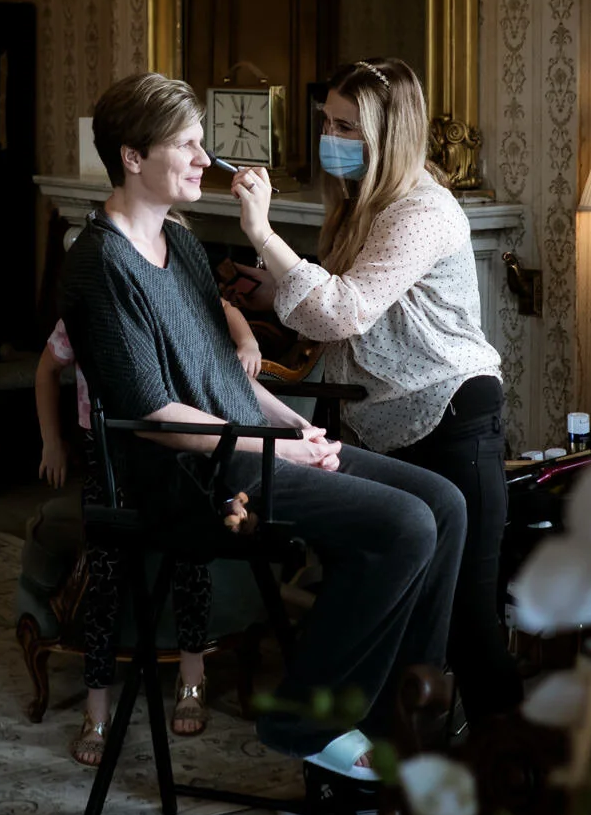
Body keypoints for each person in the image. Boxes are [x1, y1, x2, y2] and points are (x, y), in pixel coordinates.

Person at [59, 72, 464, 778]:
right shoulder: (99, 262)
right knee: (404, 526)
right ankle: (303, 717)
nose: (204, 158)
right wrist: (280, 447)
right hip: (188, 478)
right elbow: (157, 417)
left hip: (245, 451)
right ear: (132, 156)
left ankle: (397, 720)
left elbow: (227, 376)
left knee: (444, 503)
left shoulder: (181, 243)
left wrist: (296, 429)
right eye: (187, 144)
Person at [228, 57, 522, 722]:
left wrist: (263, 233)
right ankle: (395, 760)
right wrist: (268, 289)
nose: (329, 138)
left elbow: (343, 312)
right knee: (400, 612)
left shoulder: (424, 210)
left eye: (346, 127)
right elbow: (342, 302)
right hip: (385, 424)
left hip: (453, 416)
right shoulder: (362, 204)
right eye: (327, 121)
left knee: (469, 625)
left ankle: (518, 771)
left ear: (390, 134)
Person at [34, 303, 263, 765]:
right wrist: (51, 441)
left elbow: (222, 306)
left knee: (190, 555)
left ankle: (192, 678)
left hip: (174, 444)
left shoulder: (170, 293)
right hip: (106, 453)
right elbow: (46, 369)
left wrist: (248, 341)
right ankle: (96, 708)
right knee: (104, 574)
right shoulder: (87, 307)